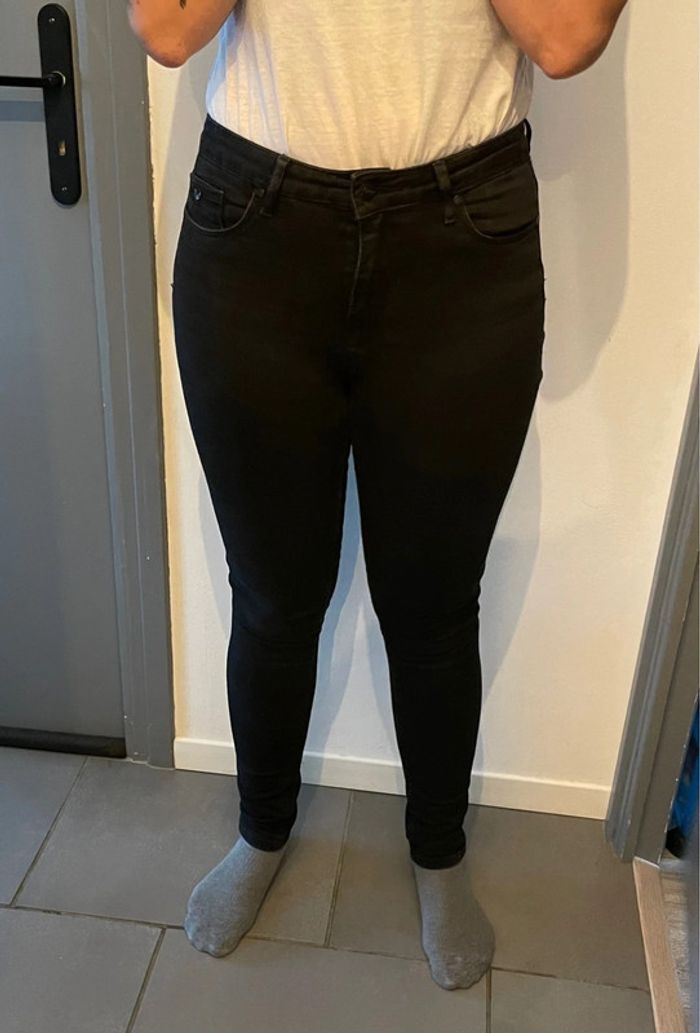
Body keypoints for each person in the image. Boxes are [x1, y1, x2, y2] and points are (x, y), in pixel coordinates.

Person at [129, 0, 625, 993]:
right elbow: (168, 29)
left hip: (463, 233)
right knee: (274, 594)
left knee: (432, 603)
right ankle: (262, 829)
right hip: (256, 226)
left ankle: (438, 850)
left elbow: (566, 37)